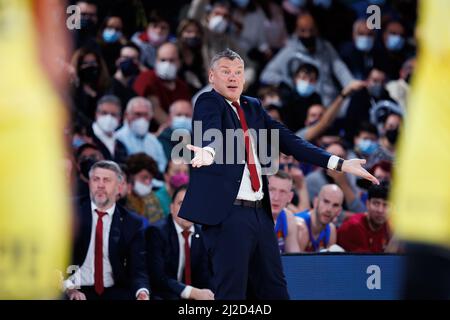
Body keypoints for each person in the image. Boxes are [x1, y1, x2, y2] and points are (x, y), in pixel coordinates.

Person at [178, 49, 378, 299]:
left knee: (275, 289)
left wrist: (339, 163)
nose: (233, 78)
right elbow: (212, 131)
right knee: (232, 294)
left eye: (238, 73)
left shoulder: (253, 107)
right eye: (225, 72)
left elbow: (291, 142)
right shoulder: (209, 102)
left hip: (259, 214)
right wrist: (208, 151)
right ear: (211, 76)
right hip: (228, 214)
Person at [64, 160, 149, 300]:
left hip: (115, 290)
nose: (100, 185)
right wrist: (69, 288)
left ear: (119, 187)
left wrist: (142, 291)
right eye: (96, 179)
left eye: (107, 180)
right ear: (89, 183)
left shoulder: (132, 223)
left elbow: (138, 269)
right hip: (76, 289)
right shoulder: (69, 212)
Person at [146, 186, 213, 300]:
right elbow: (158, 277)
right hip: (163, 293)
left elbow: (205, 275)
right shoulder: (157, 232)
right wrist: (191, 292)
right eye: (181, 203)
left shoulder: (202, 234)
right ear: (171, 208)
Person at [133, 42, 191, 125]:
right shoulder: (146, 78)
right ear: (156, 61)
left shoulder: (182, 87)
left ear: (179, 62)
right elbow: (154, 109)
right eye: (163, 60)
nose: (167, 64)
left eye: (171, 60)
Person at [115, 97, 167, 173]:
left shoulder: (154, 141)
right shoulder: (118, 138)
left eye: (145, 115)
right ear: (127, 115)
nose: (142, 119)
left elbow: (163, 166)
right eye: (137, 114)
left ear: (150, 116)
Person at [337, 183, 391, 253]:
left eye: (385, 205)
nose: (380, 210)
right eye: (376, 203)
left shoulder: (390, 228)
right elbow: (365, 262)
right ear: (367, 204)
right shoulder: (352, 227)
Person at [295, 184, 344, 252]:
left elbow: (329, 262)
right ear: (316, 202)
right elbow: (294, 262)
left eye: (335, 205)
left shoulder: (331, 230)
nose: (329, 209)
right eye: (326, 201)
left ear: (339, 211)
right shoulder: (299, 226)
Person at [123, 153, 164, 224]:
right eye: (144, 177)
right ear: (131, 176)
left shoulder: (152, 198)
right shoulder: (122, 198)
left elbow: (160, 223)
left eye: (150, 179)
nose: (148, 182)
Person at [89, 95, 128, 165]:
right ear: (96, 114)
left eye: (113, 115)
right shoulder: (87, 137)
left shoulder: (120, 146)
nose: (108, 118)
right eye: (104, 113)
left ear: (119, 118)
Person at [268, 171, 301, 253]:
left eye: (282, 192)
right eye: (272, 190)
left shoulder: (288, 218)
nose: (276, 198)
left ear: (290, 197)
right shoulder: (253, 217)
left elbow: (294, 257)